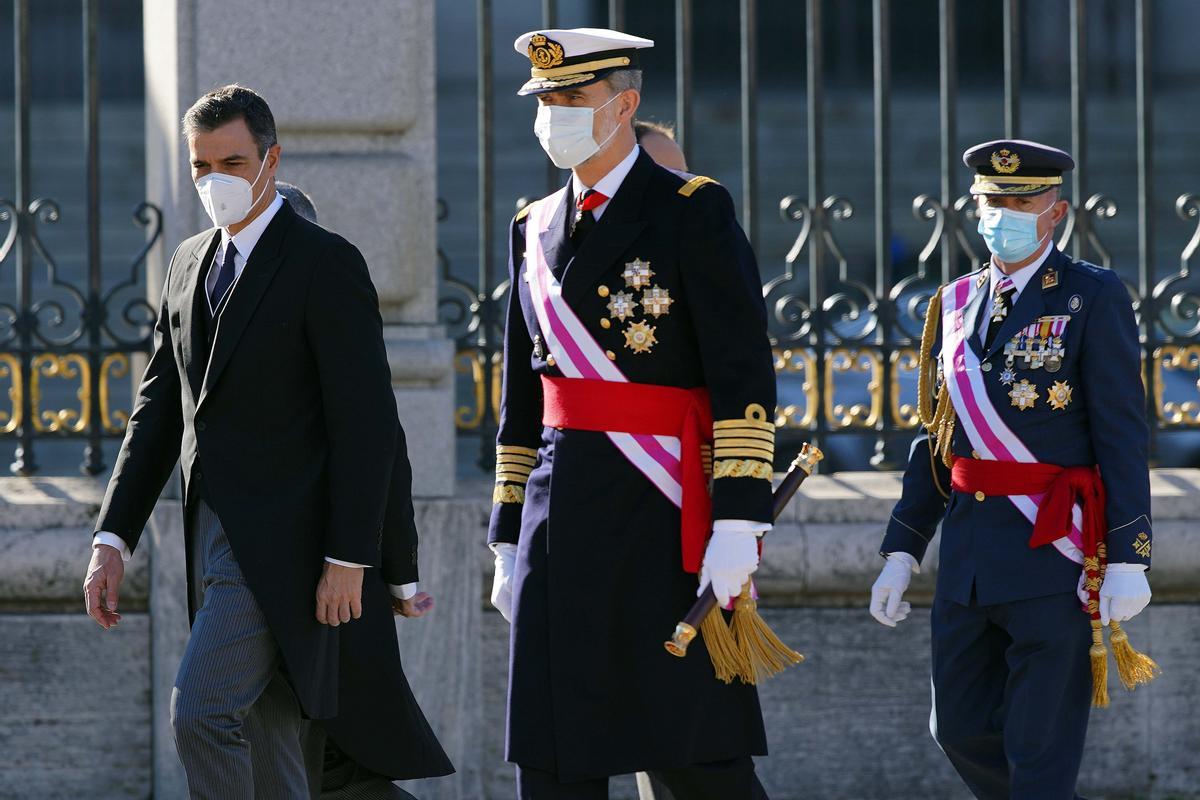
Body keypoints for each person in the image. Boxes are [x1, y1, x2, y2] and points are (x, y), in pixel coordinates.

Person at [81, 84, 452, 798]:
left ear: (271, 159)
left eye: (232, 160)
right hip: (215, 537)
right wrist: (112, 538)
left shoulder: (324, 262)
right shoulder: (188, 261)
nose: (214, 180)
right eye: (200, 166)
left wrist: (353, 557)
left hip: (295, 544)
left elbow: (369, 425)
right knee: (272, 733)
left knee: (203, 712)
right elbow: (159, 410)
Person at [488, 27, 777, 800]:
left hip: (662, 516)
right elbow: (523, 400)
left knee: (694, 753)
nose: (553, 114)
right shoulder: (531, 227)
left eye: (570, 98)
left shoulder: (691, 210)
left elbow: (743, 371)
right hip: (559, 521)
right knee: (554, 756)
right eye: (544, 100)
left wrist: (739, 520)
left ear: (624, 106)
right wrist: (508, 536)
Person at [869, 139, 1154, 799]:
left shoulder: (1091, 296)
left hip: (1052, 553)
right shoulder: (954, 301)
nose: (1005, 212)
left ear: (1055, 210)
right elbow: (937, 437)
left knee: (1039, 749)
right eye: (992, 201)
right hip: (968, 557)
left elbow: (1121, 432)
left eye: (1021, 200)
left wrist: (1130, 554)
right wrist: (902, 549)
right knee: (958, 729)